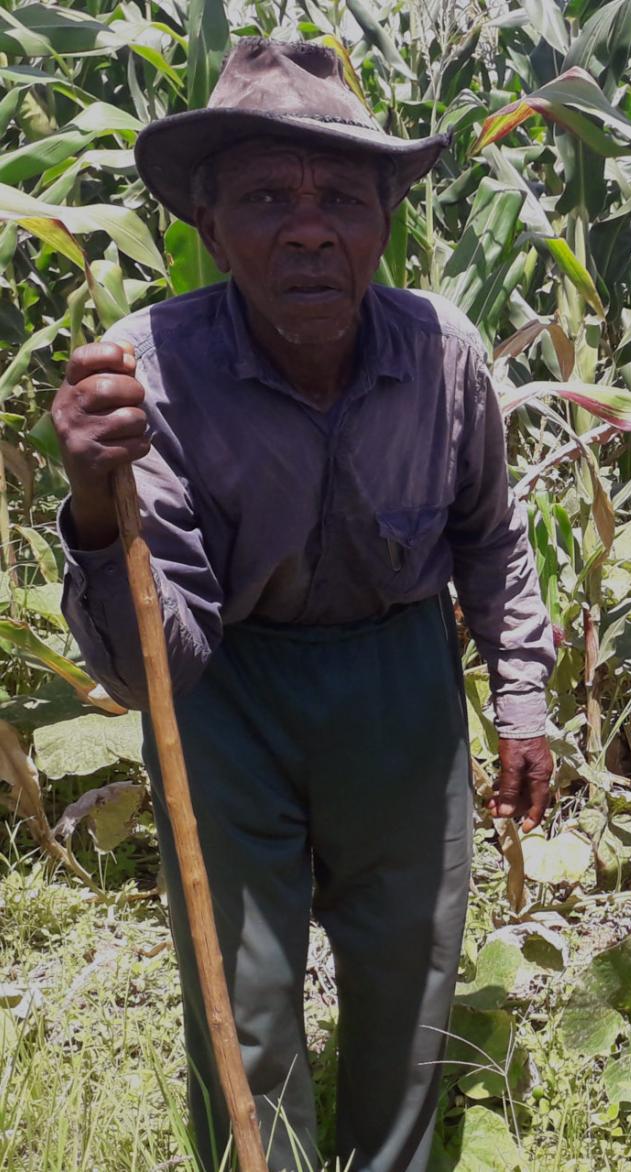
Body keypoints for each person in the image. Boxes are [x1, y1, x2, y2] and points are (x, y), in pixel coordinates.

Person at [52, 39, 555, 1172]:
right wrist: (94, 494)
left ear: (385, 222)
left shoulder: (442, 355)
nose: (309, 227)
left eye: (341, 197)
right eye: (267, 197)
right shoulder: (149, 377)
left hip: (401, 692)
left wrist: (521, 697)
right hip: (232, 688)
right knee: (246, 997)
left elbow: (489, 537)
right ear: (210, 228)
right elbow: (155, 670)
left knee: (407, 985)